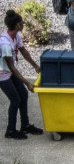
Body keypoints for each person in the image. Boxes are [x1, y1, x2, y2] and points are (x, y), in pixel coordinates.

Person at [0, 10, 43, 140]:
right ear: (17, 25)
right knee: (15, 99)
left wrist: (35, 65)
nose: (23, 24)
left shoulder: (15, 36)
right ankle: (11, 130)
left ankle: (25, 125)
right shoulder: (5, 44)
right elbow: (11, 67)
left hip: (10, 71)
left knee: (23, 95)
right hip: (3, 75)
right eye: (22, 22)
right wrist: (27, 82)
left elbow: (24, 52)